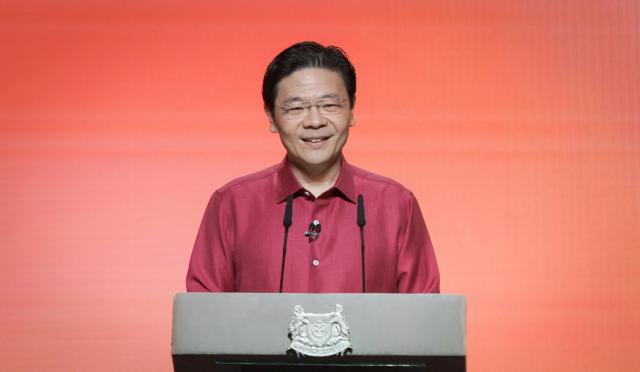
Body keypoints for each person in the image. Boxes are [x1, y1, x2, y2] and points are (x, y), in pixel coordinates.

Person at [186, 41, 439, 293]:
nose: (315, 121)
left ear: (351, 109)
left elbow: (426, 318)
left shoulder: (395, 203)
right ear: (271, 117)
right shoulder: (232, 204)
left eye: (329, 105)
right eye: (296, 108)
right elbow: (202, 317)